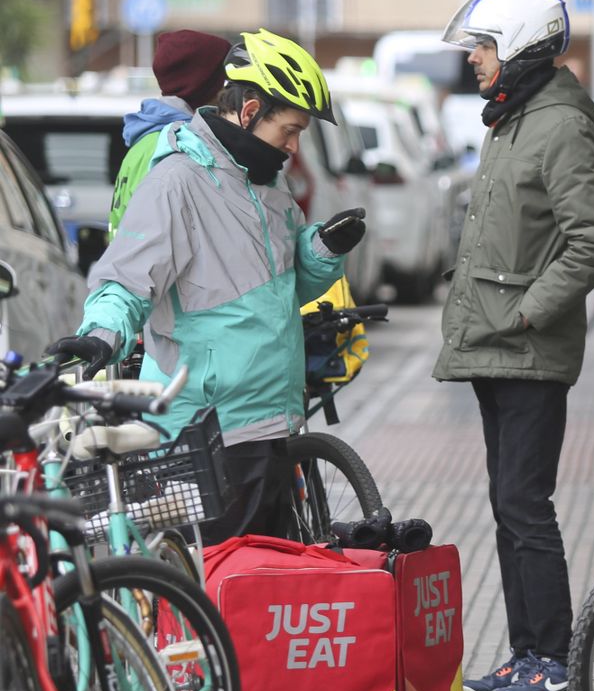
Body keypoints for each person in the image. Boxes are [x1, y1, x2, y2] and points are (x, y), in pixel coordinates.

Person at [48, 29, 363, 543]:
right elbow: (127, 278)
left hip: (274, 421)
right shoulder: (177, 181)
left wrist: (322, 250)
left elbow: (279, 288)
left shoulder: (269, 184)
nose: (293, 146)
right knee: (221, 583)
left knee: (266, 580)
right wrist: (101, 333)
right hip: (212, 431)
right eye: (289, 130)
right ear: (250, 111)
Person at [439, 0, 594, 691]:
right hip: (497, 344)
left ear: (519, 47)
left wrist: (527, 313)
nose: (474, 60)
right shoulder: (512, 119)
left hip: (526, 349)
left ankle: (551, 660)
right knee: (508, 503)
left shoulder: (559, 126)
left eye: (483, 47)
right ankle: (527, 654)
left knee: (525, 503)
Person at [109, 29, 233, 236]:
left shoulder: (145, 139)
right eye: (223, 80)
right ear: (205, 84)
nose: (227, 91)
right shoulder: (179, 144)